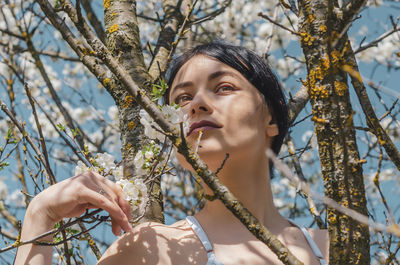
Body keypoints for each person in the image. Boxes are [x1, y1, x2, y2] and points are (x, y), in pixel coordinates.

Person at [15, 42, 329, 265]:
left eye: (223, 88)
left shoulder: (329, 248)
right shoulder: (149, 249)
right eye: (182, 98)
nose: (196, 105)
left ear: (271, 118)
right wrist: (40, 215)